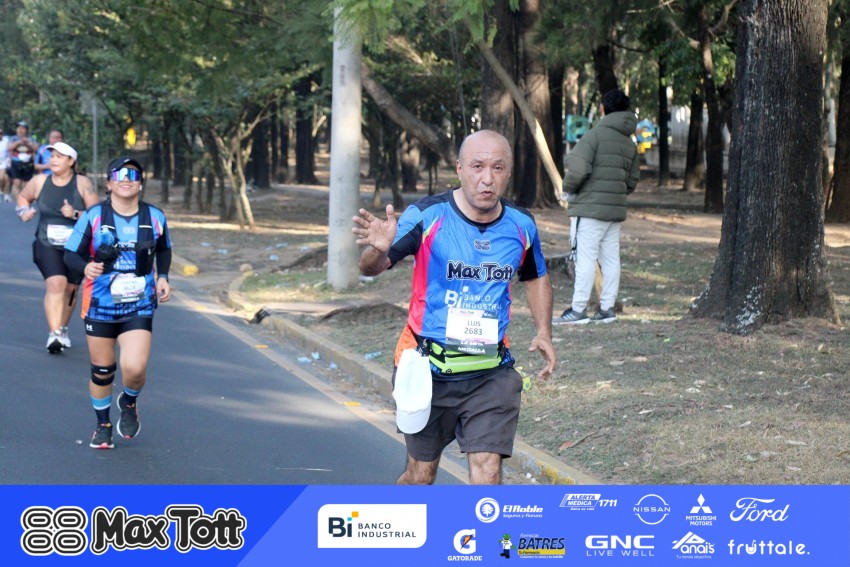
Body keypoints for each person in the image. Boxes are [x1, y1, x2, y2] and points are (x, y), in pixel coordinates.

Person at [352, 129, 556, 485]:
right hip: (426, 367)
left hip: (490, 371)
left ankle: (478, 525)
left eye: (497, 168)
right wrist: (379, 249)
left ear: (508, 173)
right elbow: (371, 268)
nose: (487, 178)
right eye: (477, 166)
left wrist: (544, 332)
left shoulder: (521, 224)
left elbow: (536, 276)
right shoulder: (427, 215)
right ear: (460, 169)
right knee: (420, 475)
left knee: (488, 470)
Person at [64, 157, 172, 450]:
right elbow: (70, 254)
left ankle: (129, 401)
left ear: (140, 183)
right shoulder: (94, 216)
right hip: (99, 304)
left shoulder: (155, 216)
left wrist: (163, 277)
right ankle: (103, 425)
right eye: (119, 174)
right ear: (109, 183)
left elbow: (164, 249)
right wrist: (86, 267)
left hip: (139, 304)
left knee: (134, 368)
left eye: (133, 174)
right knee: (103, 371)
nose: (126, 179)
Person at [554, 88, 640, 325]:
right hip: (614, 211)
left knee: (585, 258)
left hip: (589, 210)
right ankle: (607, 309)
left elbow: (578, 171)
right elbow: (632, 180)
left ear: (602, 108)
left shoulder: (593, 136)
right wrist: (615, 195)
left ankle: (578, 310)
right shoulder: (629, 143)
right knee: (611, 259)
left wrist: (568, 189)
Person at [16, 142, 100, 352]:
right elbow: (23, 197)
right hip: (47, 242)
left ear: (71, 161)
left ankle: (62, 329)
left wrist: (75, 214)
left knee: (71, 288)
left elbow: (97, 214)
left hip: (77, 246)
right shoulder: (39, 181)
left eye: (59, 157)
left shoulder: (83, 183)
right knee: (56, 283)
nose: (53, 160)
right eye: (52, 156)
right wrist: (23, 211)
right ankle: (54, 333)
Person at [7, 121, 39, 200]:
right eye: (19, 128)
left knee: (27, 184)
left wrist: (27, 143)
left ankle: (25, 200)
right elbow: (9, 148)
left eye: (22, 128)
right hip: (15, 163)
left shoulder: (31, 138)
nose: (20, 130)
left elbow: (36, 149)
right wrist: (18, 142)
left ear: (26, 130)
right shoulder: (13, 138)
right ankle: (18, 201)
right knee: (17, 183)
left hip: (28, 164)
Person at [0, 127, 10, 201]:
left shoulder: (6, 140)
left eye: (1, 133)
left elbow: (10, 150)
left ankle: (4, 193)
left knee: (3, 177)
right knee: (5, 178)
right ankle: (3, 192)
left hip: (4, 162)